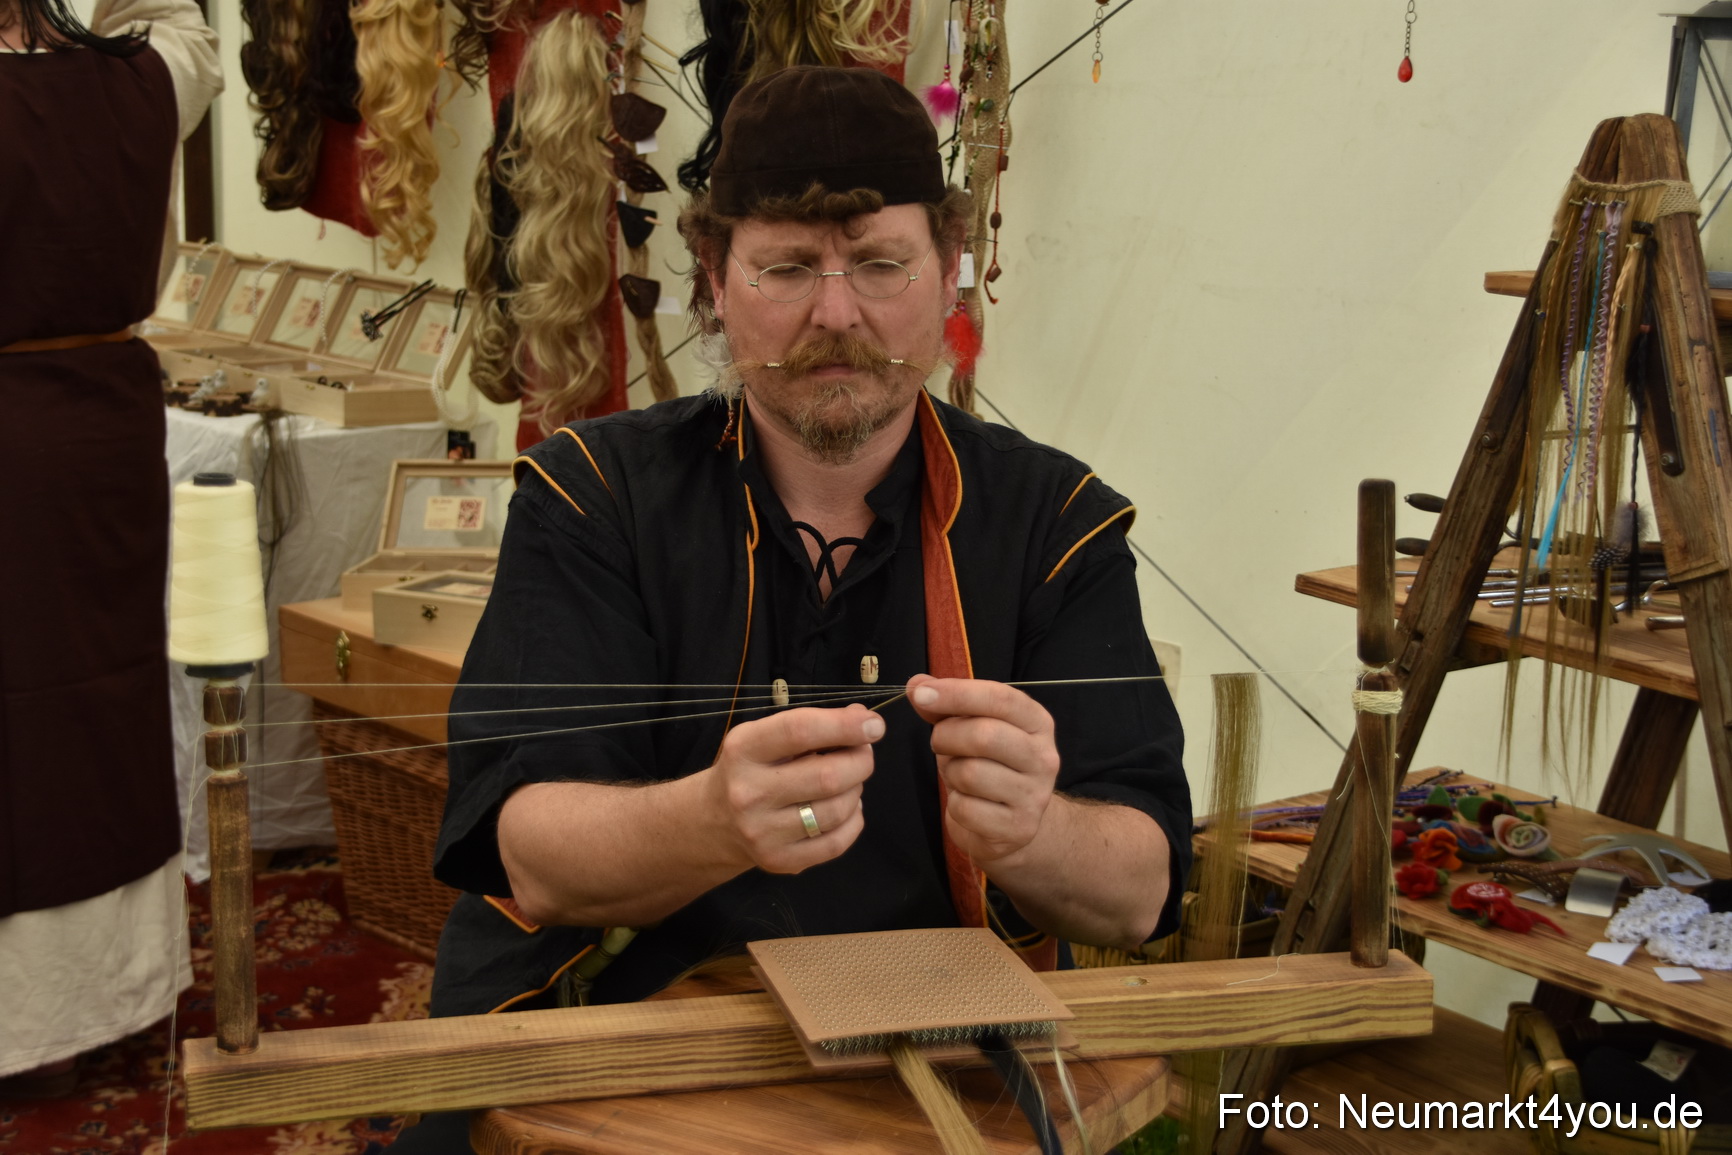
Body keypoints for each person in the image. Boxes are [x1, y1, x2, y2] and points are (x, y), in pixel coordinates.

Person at [398, 63, 1190, 1151]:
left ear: (949, 269)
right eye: (785, 267)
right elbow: (528, 849)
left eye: (879, 264)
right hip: (623, 1026)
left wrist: (1037, 832)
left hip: (934, 1046)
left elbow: (1140, 892)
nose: (835, 312)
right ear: (715, 278)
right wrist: (713, 820)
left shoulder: (1054, 521)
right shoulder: (595, 496)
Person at [0, 0, 221, 1095]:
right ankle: (108, 998)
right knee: (98, 695)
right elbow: (181, 21)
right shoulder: (146, 75)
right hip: (99, 433)